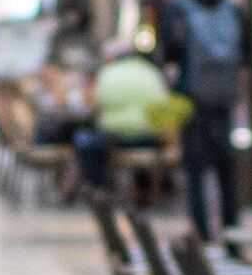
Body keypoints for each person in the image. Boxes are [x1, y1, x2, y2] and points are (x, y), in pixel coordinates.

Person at [163, 0, 252, 235]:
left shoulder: (178, 8)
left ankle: (201, 233)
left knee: (195, 168)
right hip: (225, 98)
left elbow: (169, 52)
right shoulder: (231, 8)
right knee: (227, 169)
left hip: (193, 97)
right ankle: (231, 231)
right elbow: (247, 56)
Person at [73, 34, 184, 201]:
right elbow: (164, 106)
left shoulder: (107, 73)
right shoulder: (150, 72)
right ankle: (151, 191)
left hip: (114, 137)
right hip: (148, 137)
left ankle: (98, 192)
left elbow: (94, 105)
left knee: (85, 141)